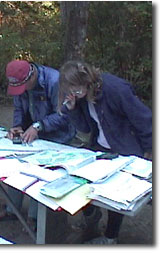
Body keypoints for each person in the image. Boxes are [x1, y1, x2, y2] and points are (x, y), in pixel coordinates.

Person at [57, 60, 152, 244]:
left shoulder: (116, 89)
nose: (74, 94)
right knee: (81, 182)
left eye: (75, 90)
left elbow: (144, 120)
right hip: (101, 148)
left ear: (85, 81)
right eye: (71, 92)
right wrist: (72, 108)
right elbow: (85, 127)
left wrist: (150, 151)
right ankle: (96, 222)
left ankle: (110, 238)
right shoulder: (83, 96)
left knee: (118, 194)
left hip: (126, 149)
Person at [0, 60, 76, 230]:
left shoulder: (55, 81)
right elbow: (18, 108)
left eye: (22, 87)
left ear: (31, 77)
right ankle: (12, 209)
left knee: (39, 172)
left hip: (58, 136)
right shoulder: (20, 83)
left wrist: (38, 126)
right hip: (34, 135)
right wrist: (17, 126)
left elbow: (64, 114)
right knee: (16, 163)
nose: (21, 92)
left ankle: (35, 217)